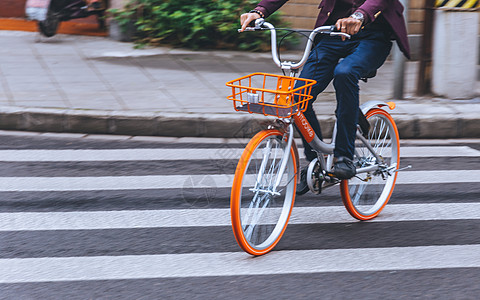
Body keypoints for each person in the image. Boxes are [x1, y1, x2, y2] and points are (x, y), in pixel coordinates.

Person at [240, 0, 410, 194]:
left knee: (345, 73)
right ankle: (316, 161)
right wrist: (259, 11)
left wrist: (360, 15)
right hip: (333, 33)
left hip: (372, 36)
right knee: (297, 97)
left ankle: (344, 156)